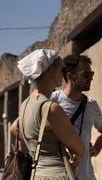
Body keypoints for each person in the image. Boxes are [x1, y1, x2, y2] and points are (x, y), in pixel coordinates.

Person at [10, 49, 85, 179]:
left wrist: (39, 147)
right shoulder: (51, 108)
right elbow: (80, 149)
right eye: (62, 70)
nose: (64, 75)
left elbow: (13, 129)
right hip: (57, 175)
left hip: (36, 175)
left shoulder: (25, 105)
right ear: (51, 72)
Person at [50, 54, 102, 180]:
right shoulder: (52, 100)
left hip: (86, 176)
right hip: (60, 175)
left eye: (91, 74)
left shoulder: (91, 104)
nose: (91, 79)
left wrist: (96, 149)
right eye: (86, 75)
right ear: (70, 76)